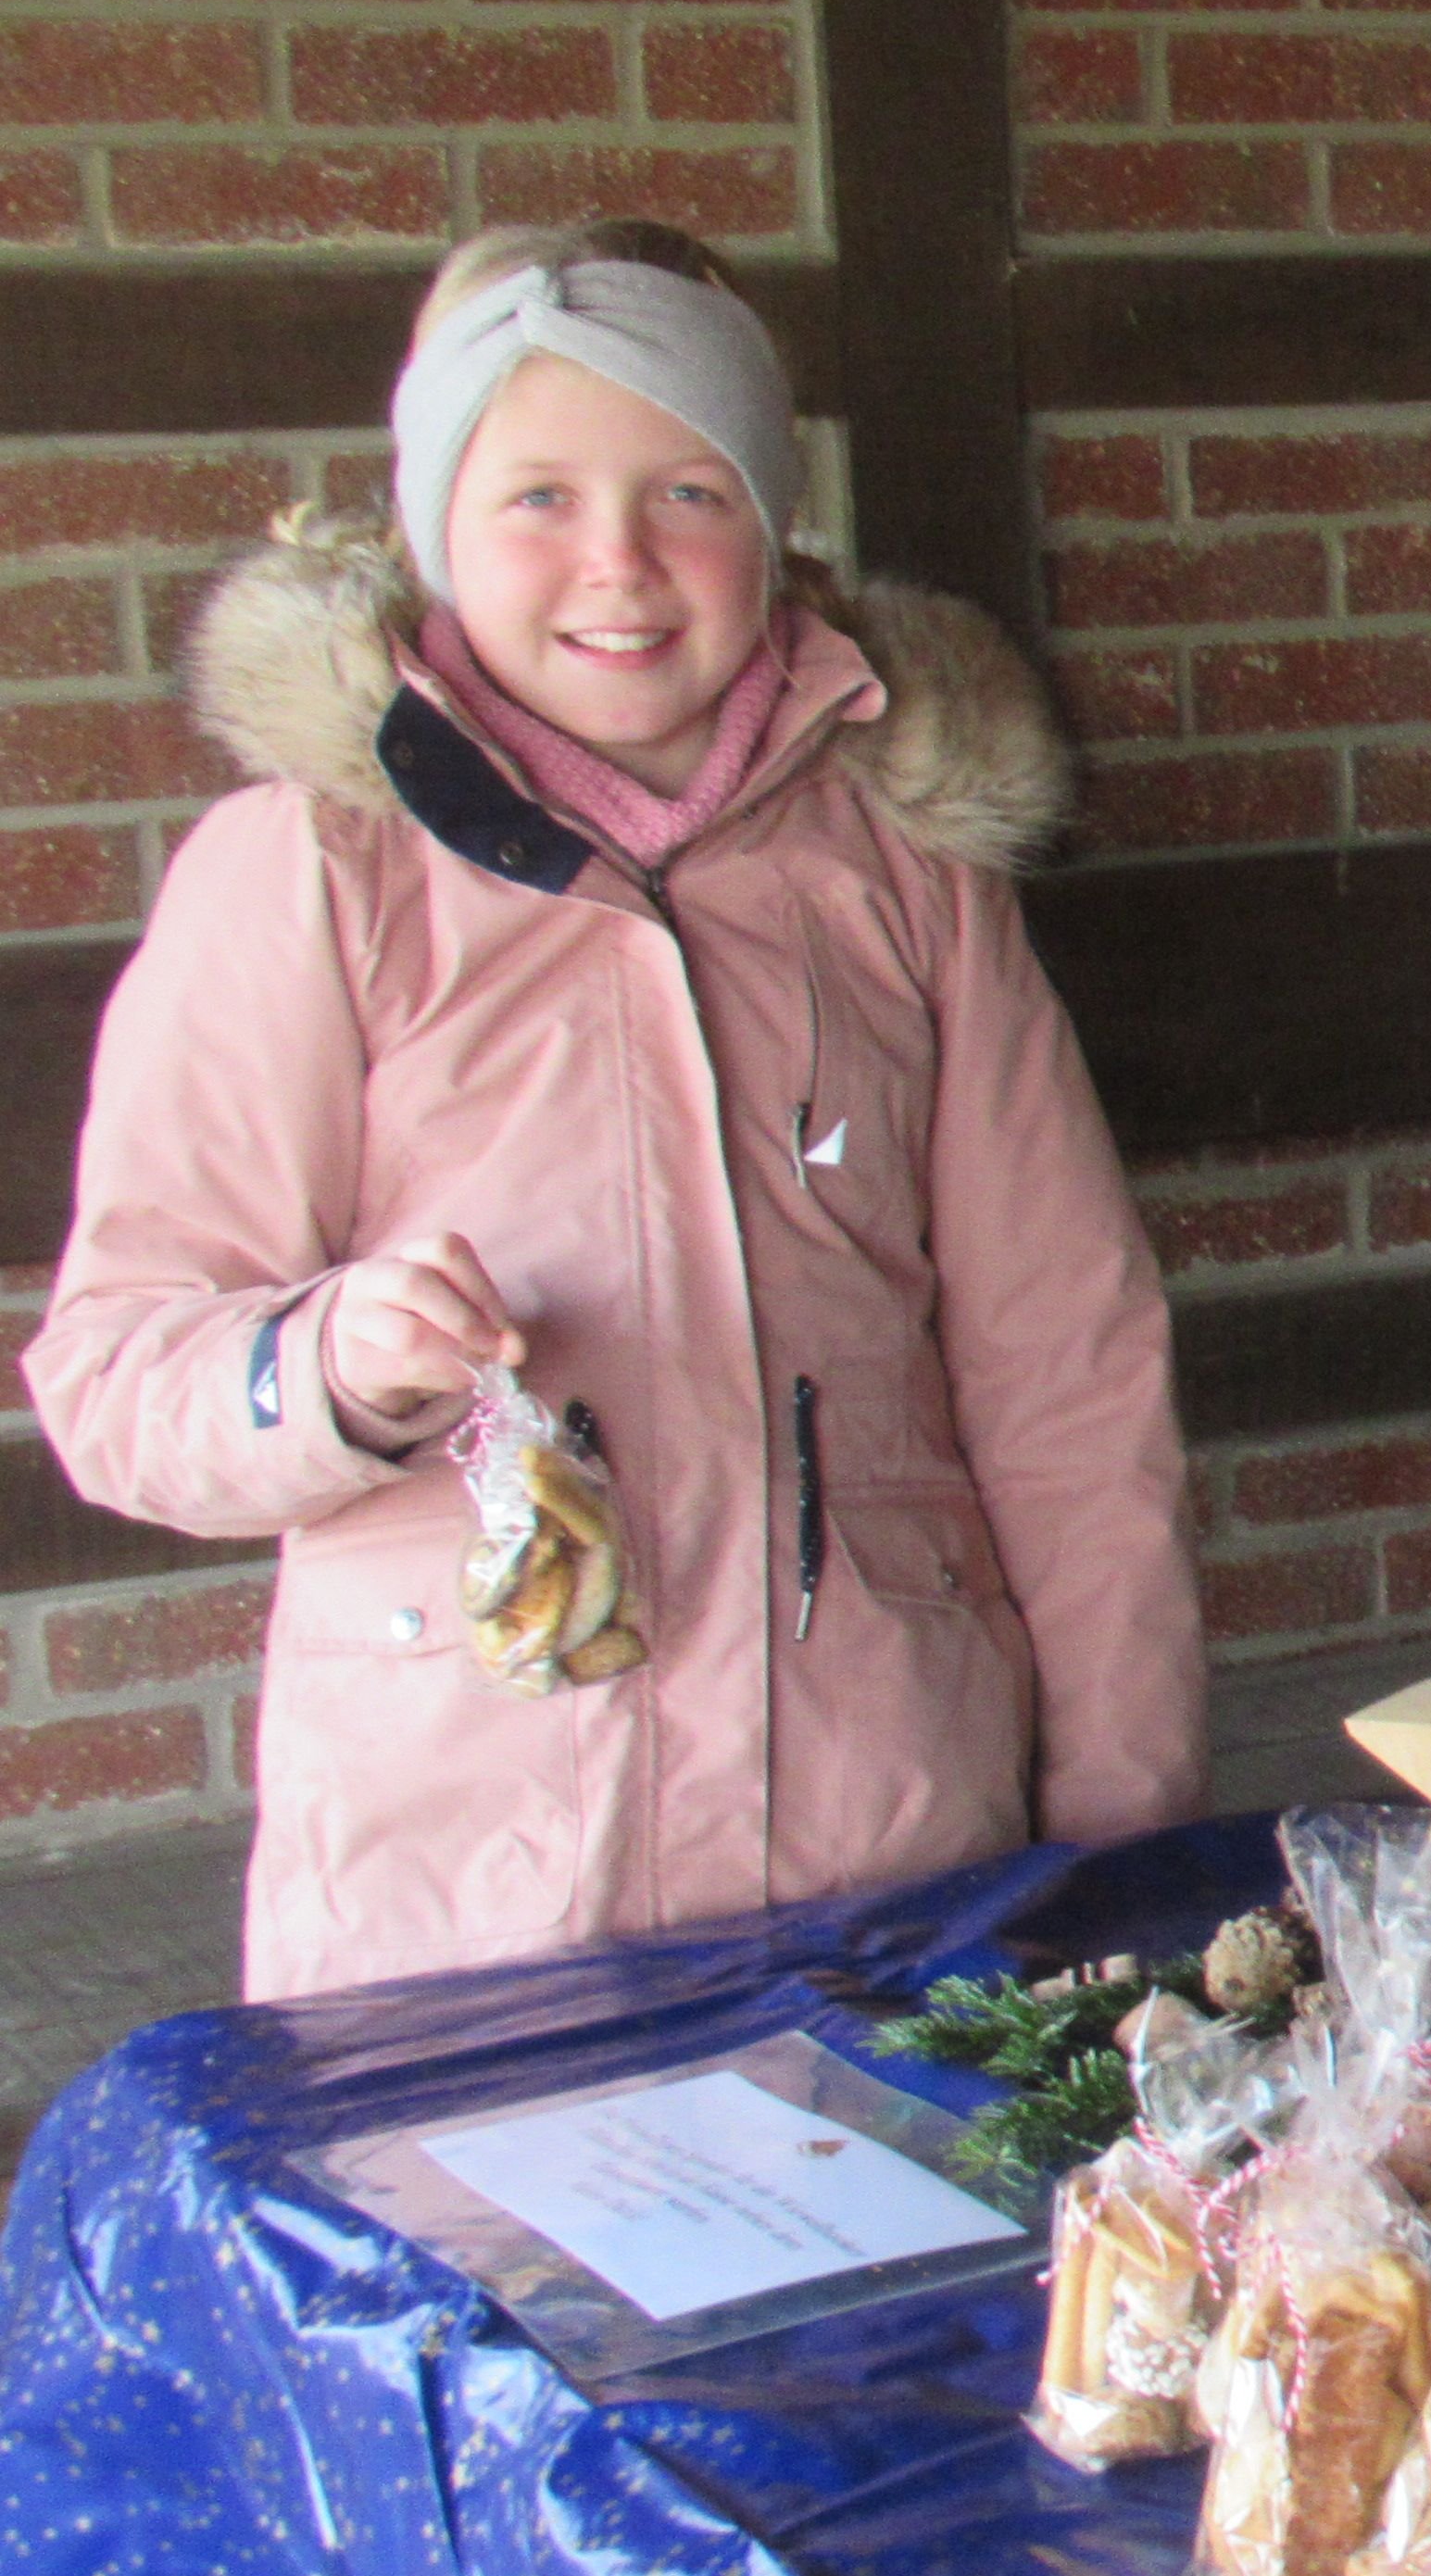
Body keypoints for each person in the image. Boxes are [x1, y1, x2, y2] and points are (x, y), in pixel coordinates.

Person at [24, 218, 1207, 1998]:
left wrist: (1119, 1837)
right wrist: (330, 1363)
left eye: (690, 493)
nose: (622, 566)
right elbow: (118, 1375)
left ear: (771, 521)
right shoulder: (310, 876)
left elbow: (1070, 1370)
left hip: (887, 1858)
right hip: (464, 1901)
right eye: (539, 499)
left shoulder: (909, 879)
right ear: (433, 524)